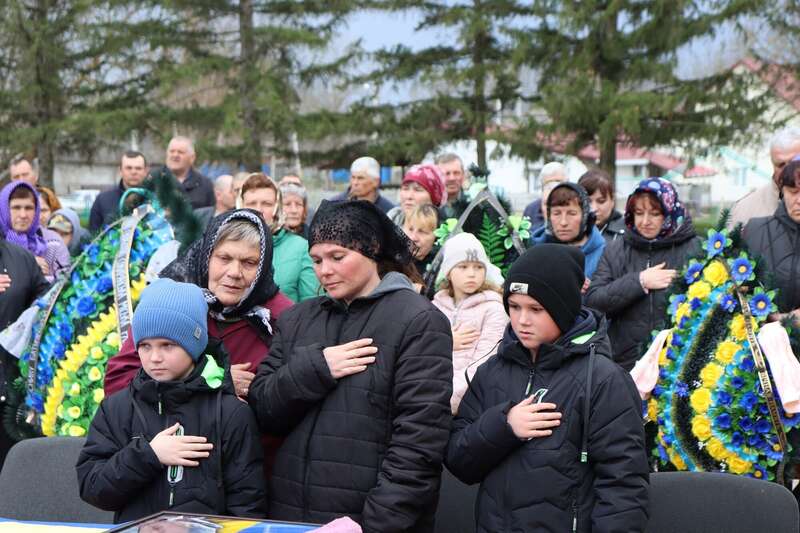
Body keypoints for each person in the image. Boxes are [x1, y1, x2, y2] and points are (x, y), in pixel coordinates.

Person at [248, 200, 453, 531]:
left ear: (372, 249)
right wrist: (315, 369)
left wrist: (372, 526)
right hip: (292, 519)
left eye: (337, 257)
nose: (324, 270)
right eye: (316, 260)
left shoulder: (418, 320)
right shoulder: (298, 318)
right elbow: (263, 409)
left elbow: (419, 443)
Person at [446, 244, 649, 532]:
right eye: (514, 307)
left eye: (536, 309)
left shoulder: (603, 379)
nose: (522, 320)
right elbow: (458, 460)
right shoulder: (492, 371)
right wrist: (505, 426)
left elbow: (624, 487)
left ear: (563, 307)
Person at [103, 210, 293, 476]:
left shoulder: (281, 318)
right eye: (224, 258)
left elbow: (291, 404)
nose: (234, 272)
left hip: (246, 472)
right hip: (165, 468)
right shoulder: (172, 303)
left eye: (249, 262)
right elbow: (118, 383)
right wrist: (214, 381)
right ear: (206, 257)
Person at [77, 278, 266, 523]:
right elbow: (93, 488)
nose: (155, 357)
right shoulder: (117, 408)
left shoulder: (230, 412)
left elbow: (248, 505)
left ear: (195, 344)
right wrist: (149, 455)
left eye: (168, 345)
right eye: (145, 346)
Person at [586, 178, 699, 370]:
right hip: (626, 363)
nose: (645, 221)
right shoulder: (616, 249)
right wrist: (639, 281)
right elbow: (594, 302)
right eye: (639, 213)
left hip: (680, 362)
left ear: (669, 212)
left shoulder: (694, 248)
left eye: (655, 214)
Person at [432, 232, 507, 414]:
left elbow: (483, 363)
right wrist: (446, 342)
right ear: (448, 272)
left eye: (478, 267)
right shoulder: (435, 307)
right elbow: (420, 354)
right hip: (430, 397)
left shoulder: (494, 309)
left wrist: (442, 401)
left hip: (465, 406)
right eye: (463, 267)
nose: (472, 274)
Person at [239, 173, 319, 302]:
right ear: (241, 205)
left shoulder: (301, 248)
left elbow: (312, 305)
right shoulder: (225, 243)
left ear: (277, 207)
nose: (259, 210)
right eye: (252, 203)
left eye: (267, 204)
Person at [744, 158, 800, 317]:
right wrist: (767, 318)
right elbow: (734, 289)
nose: (799, 201)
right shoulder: (755, 230)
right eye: (793, 192)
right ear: (783, 192)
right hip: (760, 337)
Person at [729, 127, 800, 230]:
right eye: (781, 165)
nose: (787, 170)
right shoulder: (745, 209)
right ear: (772, 163)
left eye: (794, 162)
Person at [530, 182, 606, 279]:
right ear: (549, 216)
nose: (563, 222)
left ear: (585, 216)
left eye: (572, 213)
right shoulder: (533, 250)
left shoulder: (604, 255)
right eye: (556, 213)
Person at [0, 181, 70, 282]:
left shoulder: (53, 242)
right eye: (16, 208)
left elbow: (66, 283)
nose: (23, 215)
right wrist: (29, 265)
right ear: (4, 209)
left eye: (29, 208)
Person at [90, 151, 150, 232]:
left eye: (138, 168)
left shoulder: (155, 200)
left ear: (146, 171)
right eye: (129, 168)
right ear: (120, 170)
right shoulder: (102, 200)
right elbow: (93, 236)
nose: (133, 172)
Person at [331, 156, 395, 214]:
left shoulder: (389, 211)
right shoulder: (335, 204)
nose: (355, 182)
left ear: (376, 182)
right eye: (353, 177)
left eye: (360, 178)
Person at [165, 136, 214, 209]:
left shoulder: (205, 185)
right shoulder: (154, 181)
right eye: (172, 151)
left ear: (192, 158)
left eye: (180, 152)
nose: (175, 155)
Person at [402, 204, 439, 298]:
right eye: (410, 229)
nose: (413, 238)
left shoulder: (440, 266)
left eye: (422, 231)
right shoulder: (391, 261)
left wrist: (425, 292)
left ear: (435, 237)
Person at [579, 169, 625, 242]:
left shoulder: (627, 234)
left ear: (612, 200)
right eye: (587, 201)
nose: (593, 209)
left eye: (601, 201)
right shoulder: (567, 230)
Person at [522, 161, 568, 231]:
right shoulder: (531, 209)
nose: (553, 186)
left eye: (558, 181)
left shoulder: (574, 205)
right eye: (549, 183)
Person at [436, 153, 468, 219]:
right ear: (436, 176)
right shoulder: (429, 206)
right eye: (446, 174)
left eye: (456, 173)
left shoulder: (474, 205)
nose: (452, 178)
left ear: (463, 175)